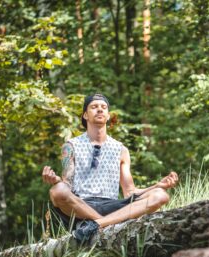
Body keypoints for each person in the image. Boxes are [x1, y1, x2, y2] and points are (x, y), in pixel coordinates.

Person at [42, 93, 178, 242]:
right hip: (80, 206)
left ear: (107, 116)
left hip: (111, 204)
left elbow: (130, 192)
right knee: (57, 191)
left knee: (161, 194)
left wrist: (158, 185)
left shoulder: (121, 150)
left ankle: (94, 225)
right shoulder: (70, 146)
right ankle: (105, 223)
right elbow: (67, 185)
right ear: (85, 115)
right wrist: (56, 181)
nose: (100, 110)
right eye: (94, 107)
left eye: (103, 107)